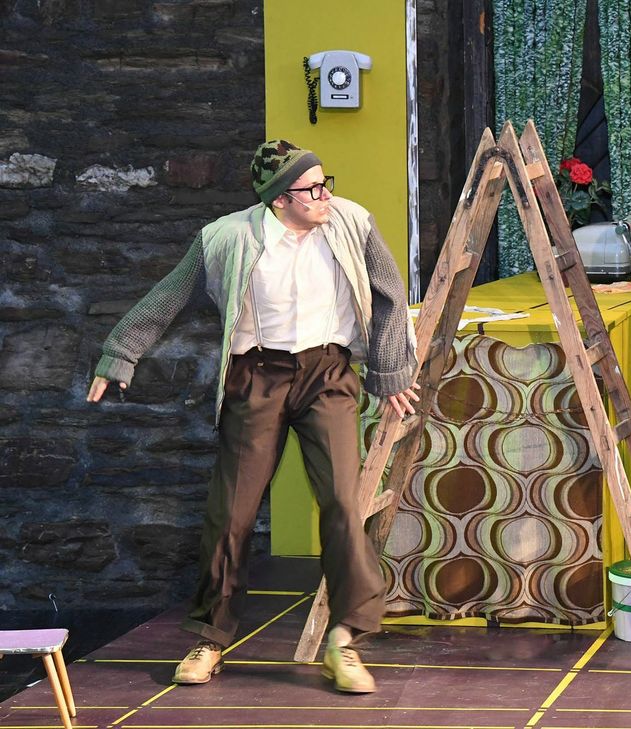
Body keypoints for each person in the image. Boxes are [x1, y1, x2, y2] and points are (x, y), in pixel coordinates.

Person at [87, 140, 419, 693]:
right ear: (280, 199)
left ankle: (345, 639)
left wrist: (389, 372)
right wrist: (120, 353)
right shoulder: (225, 238)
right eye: (313, 189)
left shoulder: (351, 222)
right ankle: (210, 638)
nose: (326, 195)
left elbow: (388, 293)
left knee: (343, 501)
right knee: (232, 513)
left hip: (327, 373)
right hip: (257, 376)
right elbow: (170, 295)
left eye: (326, 183)